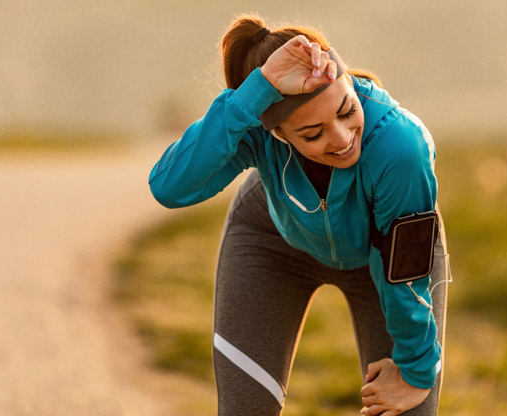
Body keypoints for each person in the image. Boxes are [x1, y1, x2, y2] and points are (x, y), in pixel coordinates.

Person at [148, 14, 450, 416]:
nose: (342, 139)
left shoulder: (399, 146)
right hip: (271, 242)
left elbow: (404, 271)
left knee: (408, 406)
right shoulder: (256, 132)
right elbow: (169, 186)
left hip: (386, 260)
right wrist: (249, 99)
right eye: (312, 134)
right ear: (276, 133)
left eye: (347, 110)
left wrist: (415, 369)